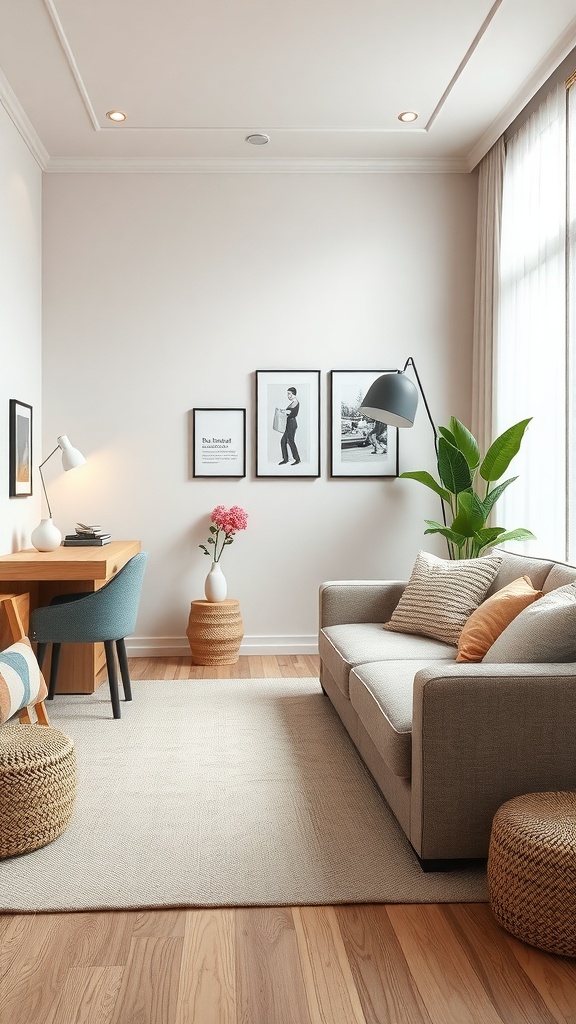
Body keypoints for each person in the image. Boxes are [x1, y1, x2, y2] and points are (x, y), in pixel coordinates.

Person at [279, 387, 301, 465]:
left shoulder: (295, 402)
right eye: (287, 394)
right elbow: (289, 411)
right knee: (283, 441)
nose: (288, 395)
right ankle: (285, 459)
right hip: (289, 423)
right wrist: (283, 411)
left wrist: (285, 411)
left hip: (292, 424)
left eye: (289, 394)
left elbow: (293, 413)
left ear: (293, 394)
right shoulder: (292, 403)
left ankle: (297, 459)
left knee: (290, 441)